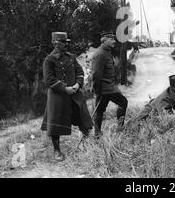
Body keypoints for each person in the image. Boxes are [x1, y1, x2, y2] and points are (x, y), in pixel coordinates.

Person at [41, 32, 93, 161]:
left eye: (66, 42)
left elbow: (80, 72)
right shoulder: (49, 59)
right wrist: (65, 88)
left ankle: (84, 144)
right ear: (56, 43)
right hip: (57, 96)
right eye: (63, 42)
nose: (66, 44)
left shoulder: (71, 57)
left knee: (84, 119)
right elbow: (48, 79)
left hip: (74, 94)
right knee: (55, 125)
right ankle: (57, 151)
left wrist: (77, 84)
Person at [91, 30, 128, 136]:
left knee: (100, 110)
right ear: (104, 40)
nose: (114, 41)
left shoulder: (106, 51)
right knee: (122, 102)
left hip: (108, 88)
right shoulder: (100, 54)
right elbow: (96, 75)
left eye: (114, 39)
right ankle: (119, 128)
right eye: (111, 39)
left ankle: (98, 134)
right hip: (105, 89)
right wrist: (98, 92)